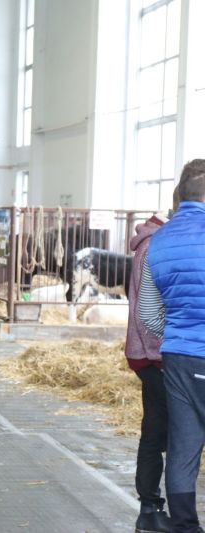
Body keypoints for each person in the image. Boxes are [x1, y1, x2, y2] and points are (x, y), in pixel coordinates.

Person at [139, 159, 205, 533]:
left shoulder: (159, 241)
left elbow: (148, 314)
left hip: (179, 358)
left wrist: (179, 331)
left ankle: (184, 525)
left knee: (182, 448)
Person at [126, 204, 174, 533]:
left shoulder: (154, 241)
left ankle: (153, 507)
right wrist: (164, 351)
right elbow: (148, 312)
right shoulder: (153, 245)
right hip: (154, 357)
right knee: (158, 432)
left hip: (155, 355)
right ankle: (150, 507)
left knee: (160, 431)